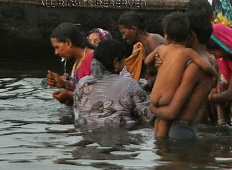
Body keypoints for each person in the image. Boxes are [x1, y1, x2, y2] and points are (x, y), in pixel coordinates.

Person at [149, 10, 218, 140]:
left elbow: (171, 112)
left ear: (191, 35)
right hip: (184, 129)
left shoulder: (195, 67)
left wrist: (152, 107)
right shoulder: (208, 60)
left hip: (179, 130)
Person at [74, 39, 152, 129]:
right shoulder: (130, 85)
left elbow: (78, 117)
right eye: (123, 61)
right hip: (121, 137)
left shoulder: (82, 84)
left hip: (89, 136)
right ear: (115, 62)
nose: (124, 65)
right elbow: (148, 118)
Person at [47, 23, 94, 104]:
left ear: (68, 43)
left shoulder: (92, 60)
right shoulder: (78, 61)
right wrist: (63, 83)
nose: (56, 52)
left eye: (57, 47)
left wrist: (69, 95)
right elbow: (80, 88)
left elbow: (98, 94)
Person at [117, 11, 166, 81]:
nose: (123, 37)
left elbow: (165, 69)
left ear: (133, 29)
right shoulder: (139, 47)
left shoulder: (152, 40)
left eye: (123, 33)